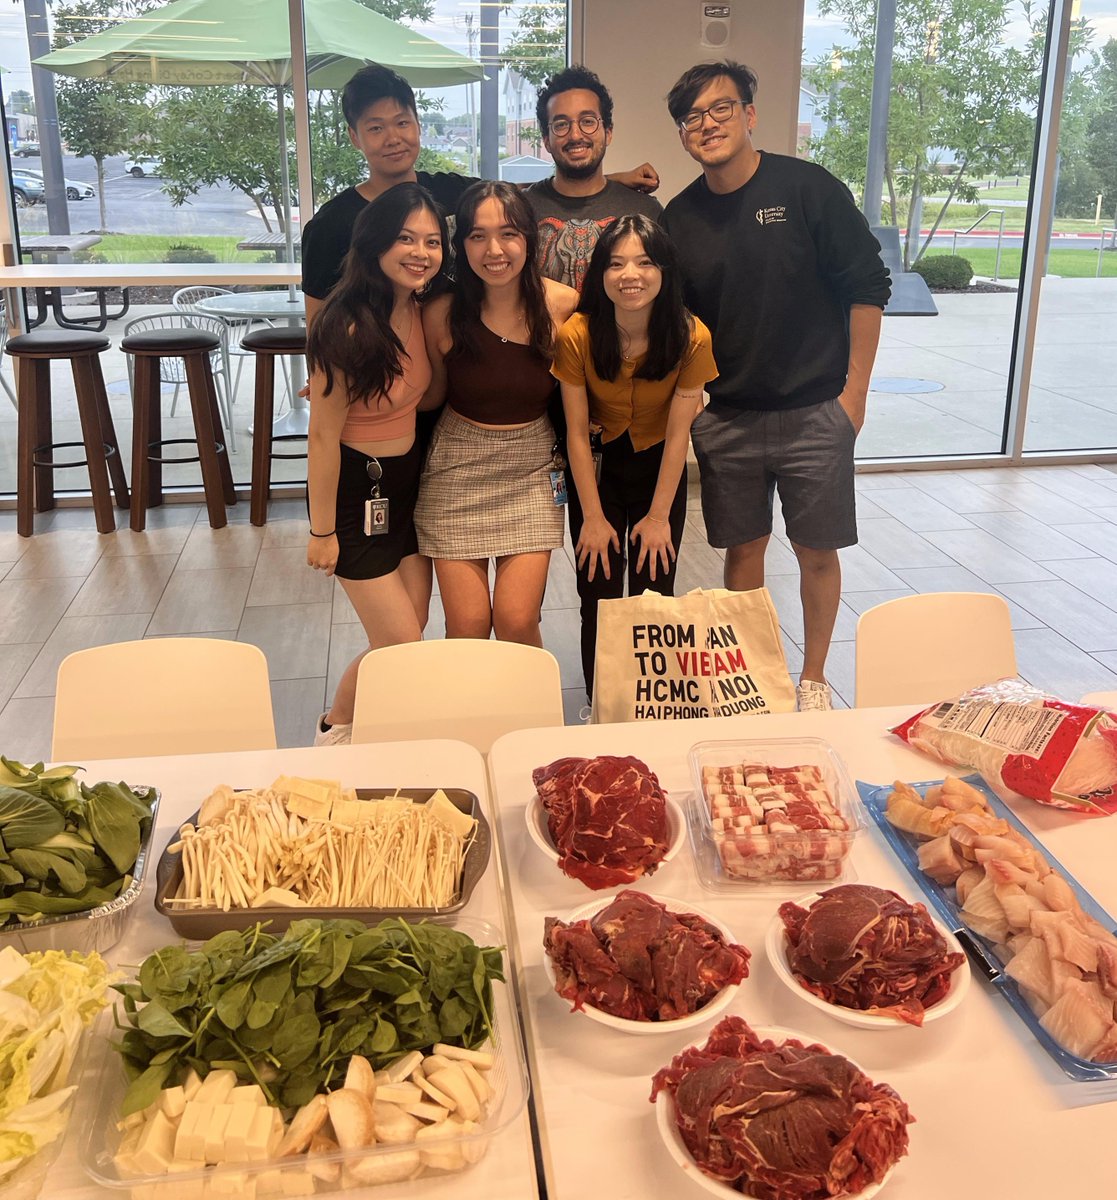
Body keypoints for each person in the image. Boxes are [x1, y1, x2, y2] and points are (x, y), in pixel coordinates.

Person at [663, 61, 891, 712]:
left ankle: (814, 678)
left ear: (749, 113)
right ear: (682, 134)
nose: (705, 125)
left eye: (718, 109)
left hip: (815, 409)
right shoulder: (681, 217)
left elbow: (866, 289)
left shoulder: (806, 188)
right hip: (727, 417)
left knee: (816, 553)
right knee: (742, 553)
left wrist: (853, 397)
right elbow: (680, 322)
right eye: (691, 118)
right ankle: (752, 677)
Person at [303, 63, 660, 322]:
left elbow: (513, 196)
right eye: (376, 128)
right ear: (354, 137)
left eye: (402, 123)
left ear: (417, 125)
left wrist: (611, 178)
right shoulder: (332, 223)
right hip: (371, 374)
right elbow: (317, 324)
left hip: (439, 362)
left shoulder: (447, 190)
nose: (393, 138)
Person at [305, 183, 448, 746]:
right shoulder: (343, 326)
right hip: (355, 492)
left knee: (408, 631)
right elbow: (321, 436)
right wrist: (321, 532)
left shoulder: (416, 307)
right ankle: (334, 731)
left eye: (432, 241)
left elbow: (428, 399)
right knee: (400, 645)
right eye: (406, 238)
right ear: (375, 243)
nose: (420, 251)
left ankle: (381, 734)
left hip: (407, 486)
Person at [553, 214, 718, 699]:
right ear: (599, 273)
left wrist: (659, 516)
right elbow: (576, 435)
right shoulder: (577, 335)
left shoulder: (692, 336)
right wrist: (593, 518)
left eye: (645, 262)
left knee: (653, 593)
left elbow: (678, 432)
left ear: (664, 270)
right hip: (599, 468)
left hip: (658, 468)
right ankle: (601, 702)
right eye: (617, 263)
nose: (631, 275)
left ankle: (649, 703)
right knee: (597, 593)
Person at [415, 181, 578, 646]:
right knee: (466, 627)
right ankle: (472, 719)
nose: (494, 250)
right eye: (477, 236)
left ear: (529, 236)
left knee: (516, 620)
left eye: (508, 233)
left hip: (532, 471)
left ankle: (528, 718)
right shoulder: (441, 313)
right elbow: (431, 398)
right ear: (460, 244)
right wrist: (353, 393)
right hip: (455, 470)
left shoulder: (562, 305)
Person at [527, 65, 663, 292]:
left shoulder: (646, 212)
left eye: (588, 121)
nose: (576, 134)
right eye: (561, 125)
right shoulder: (521, 210)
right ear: (546, 140)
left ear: (608, 132)